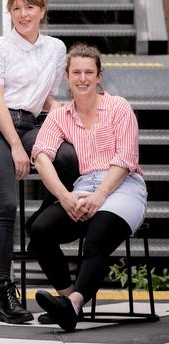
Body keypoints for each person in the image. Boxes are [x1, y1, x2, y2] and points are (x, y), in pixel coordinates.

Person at [0, 0, 79, 324]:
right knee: (6, 203)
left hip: (31, 123)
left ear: (42, 10)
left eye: (29, 6)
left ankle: (41, 224)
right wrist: (17, 147)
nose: (22, 13)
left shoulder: (56, 49)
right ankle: (6, 293)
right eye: (16, 8)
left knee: (68, 157)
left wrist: (68, 123)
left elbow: (44, 97)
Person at [30, 43, 147, 332]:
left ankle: (75, 302)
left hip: (122, 187)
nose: (82, 78)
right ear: (67, 77)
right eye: (76, 73)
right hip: (83, 188)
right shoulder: (60, 115)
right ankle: (68, 302)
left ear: (99, 76)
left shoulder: (118, 107)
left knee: (97, 237)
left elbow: (125, 158)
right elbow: (41, 155)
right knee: (40, 231)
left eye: (89, 73)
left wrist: (101, 195)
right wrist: (65, 196)